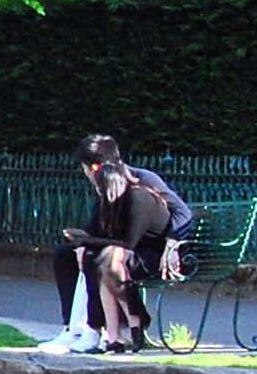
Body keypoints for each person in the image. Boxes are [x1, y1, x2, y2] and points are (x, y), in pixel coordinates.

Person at [41, 136, 193, 351]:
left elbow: (182, 212)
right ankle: (72, 327)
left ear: (94, 168)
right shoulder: (107, 187)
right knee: (66, 254)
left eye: (84, 168)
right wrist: (82, 241)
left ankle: (94, 329)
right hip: (124, 248)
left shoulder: (141, 183)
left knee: (98, 258)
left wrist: (172, 244)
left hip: (148, 250)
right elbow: (96, 227)